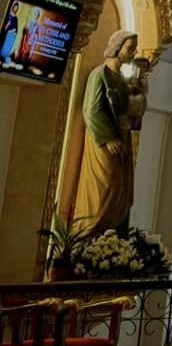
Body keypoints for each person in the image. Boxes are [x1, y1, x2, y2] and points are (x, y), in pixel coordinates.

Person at [73, 30, 142, 236]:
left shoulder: (121, 79)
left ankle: (108, 235)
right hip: (104, 142)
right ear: (117, 47)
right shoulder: (100, 74)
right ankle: (86, 233)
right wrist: (109, 137)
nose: (132, 52)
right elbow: (92, 110)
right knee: (105, 186)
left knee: (121, 189)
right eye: (130, 48)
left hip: (123, 138)